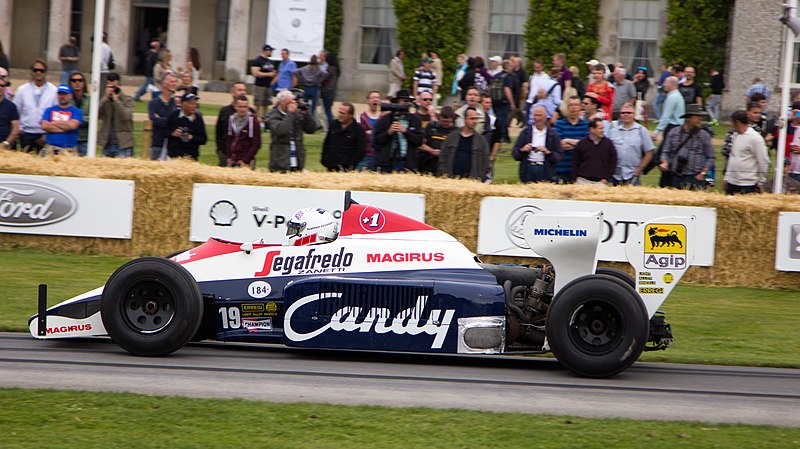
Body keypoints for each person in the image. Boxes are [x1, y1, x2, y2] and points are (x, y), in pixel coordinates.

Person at [658, 104, 714, 190]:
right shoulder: (673, 133)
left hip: (694, 177)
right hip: (675, 175)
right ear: (688, 117)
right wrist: (664, 162)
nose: (700, 119)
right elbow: (665, 151)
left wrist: (702, 173)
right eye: (697, 116)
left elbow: (710, 157)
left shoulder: (704, 136)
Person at [373, 89, 423, 173]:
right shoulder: (386, 119)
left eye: (407, 101)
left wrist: (406, 131)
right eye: (403, 101)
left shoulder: (415, 120)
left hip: (407, 162)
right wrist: (388, 132)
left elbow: (419, 141)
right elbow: (377, 141)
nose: (405, 104)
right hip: (387, 162)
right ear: (396, 102)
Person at [267, 89, 318, 172]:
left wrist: (306, 114)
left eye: (292, 102)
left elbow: (312, 129)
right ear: (281, 103)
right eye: (288, 103)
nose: (291, 105)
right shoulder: (273, 116)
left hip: (297, 161)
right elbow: (281, 131)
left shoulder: (297, 115)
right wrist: (290, 113)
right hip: (280, 162)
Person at [14, 60, 58, 154]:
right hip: (26, 133)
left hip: (43, 133)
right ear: (31, 72)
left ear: (46, 73)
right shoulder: (22, 90)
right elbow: (16, 110)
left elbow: (55, 113)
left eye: (41, 70)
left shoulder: (53, 90)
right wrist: (19, 129)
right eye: (35, 70)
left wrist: (48, 133)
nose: (38, 72)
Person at [512, 105, 563, 183]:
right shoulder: (525, 133)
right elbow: (515, 155)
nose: (537, 118)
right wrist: (522, 150)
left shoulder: (553, 135)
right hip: (528, 168)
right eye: (535, 115)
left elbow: (559, 157)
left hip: (545, 169)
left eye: (540, 115)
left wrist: (548, 152)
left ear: (546, 117)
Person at [437, 107, 490, 181]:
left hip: (472, 182)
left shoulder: (481, 141)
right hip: (450, 180)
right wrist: (443, 173)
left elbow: (485, 163)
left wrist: (481, 177)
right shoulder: (451, 137)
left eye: (476, 119)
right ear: (465, 119)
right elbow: (442, 158)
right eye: (472, 119)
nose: (475, 121)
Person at [607, 103, 654, 185]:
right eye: (623, 113)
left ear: (634, 115)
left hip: (633, 175)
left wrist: (639, 170)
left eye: (629, 113)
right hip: (615, 175)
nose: (626, 115)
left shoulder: (641, 131)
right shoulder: (613, 132)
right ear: (620, 115)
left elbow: (649, 153)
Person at [724, 110, 769, 195]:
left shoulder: (755, 138)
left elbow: (763, 161)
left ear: (736, 122)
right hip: (732, 182)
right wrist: (727, 177)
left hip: (748, 184)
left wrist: (761, 181)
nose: (731, 125)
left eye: (732, 122)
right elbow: (732, 157)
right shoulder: (735, 136)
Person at [553, 96, 590, 183]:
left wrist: (567, 140)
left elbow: (586, 146)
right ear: (567, 107)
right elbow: (559, 145)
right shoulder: (559, 124)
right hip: (561, 169)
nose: (574, 108)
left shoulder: (586, 125)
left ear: (580, 107)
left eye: (576, 105)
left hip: (580, 170)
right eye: (571, 105)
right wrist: (579, 143)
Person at [40, 83, 83, 156]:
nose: (62, 97)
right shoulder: (49, 110)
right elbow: (44, 126)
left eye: (65, 94)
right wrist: (66, 128)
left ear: (70, 96)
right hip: (50, 149)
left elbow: (72, 126)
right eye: (60, 94)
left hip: (69, 150)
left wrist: (53, 123)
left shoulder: (76, 111)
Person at [98, 73, 135, 158]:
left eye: (114, 87)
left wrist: (117, 100)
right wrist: (104, 99)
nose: (112, 90)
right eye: (109, 86)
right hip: (107, 144)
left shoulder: (128, 100)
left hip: (123, 145)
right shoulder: (105, 101)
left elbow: (126, 116)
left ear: (119, 86)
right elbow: (97, 115)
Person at [321, 101, 366, 171]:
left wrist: (350, 165)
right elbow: (326, 143)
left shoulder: (358, 129)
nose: (340, 115)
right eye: (339, 112)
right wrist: (325, 160)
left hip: (347, 169)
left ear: (350, 115)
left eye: (343, 113)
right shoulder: (334, 125)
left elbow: (361, 150)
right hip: (331, 167)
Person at [571, 117, 616, 185]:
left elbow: (613, 161)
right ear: (591, 129)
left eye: (603, 128)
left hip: (601, 182)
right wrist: (575, 178)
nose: (603, 131)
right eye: (600, 128)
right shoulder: (582, 143)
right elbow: (575, 162)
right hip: (583, 181)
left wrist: (606, 178)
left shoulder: (608, 143)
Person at [216, 82, 252, 167]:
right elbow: (218, 133)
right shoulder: (224, 111)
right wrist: (221, 151)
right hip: (226, 154)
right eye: (239, 90)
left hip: (244, 157)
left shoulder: (251, 113)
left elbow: (254, 140)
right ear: (232, 93)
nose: (243, 92)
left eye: (244, 90)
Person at [165, 92, 206, 160]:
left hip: (191, 156)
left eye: (195, 103)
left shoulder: (198, 118)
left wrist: (192, 137)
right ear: (183, 104)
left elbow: (203, 139)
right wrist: (172, 133)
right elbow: (164, 131)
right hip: (174, 155)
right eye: (192, 104)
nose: (194, 106)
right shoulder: (174, 115)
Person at [417, 105, 456, 175]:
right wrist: (431, 151)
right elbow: (420, 144)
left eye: (447, 122)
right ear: (439, 117)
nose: (445, 123)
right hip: (428, 163)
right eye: (443, 121)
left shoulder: (455, 131)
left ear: (452, 119)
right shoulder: (431, 126)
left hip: (446, 165)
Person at [148, 72, 178, 160]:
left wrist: (161, 119)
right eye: (171, 82)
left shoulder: (176, 103)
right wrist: (170, 120)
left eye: (175, 82)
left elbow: (177, 121)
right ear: (164, 84)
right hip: (158, 144)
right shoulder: (153, 103)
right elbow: (154, 119)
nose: (174, 84)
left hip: (173, 145)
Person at [225, 95, 261, 168]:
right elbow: (229, 139)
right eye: (240, 107)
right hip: (233, 160)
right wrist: (229, 157)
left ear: (248, 107)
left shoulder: (253, 121)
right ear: (235, 106)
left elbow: (256, 143)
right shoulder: (232, 119)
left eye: (245, 107)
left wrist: (245, 160)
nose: (242, 109)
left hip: (245, 161)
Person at [652, 76, 684, 142]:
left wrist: (656, 132)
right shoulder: (677, 95)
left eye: (665, 82)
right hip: (678, 127)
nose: (664, 85)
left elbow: (666, 116)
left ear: (672, 84)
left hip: (672, 128)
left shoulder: (672, 97)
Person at [358, 90, 383, 171]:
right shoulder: (362, 117)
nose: (375, 99)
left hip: (379, 156)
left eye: (377, 98)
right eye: (373, 98)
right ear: (368, 100)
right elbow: (361, 135)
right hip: (365, 155)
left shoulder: (383, 118)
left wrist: (370, 133)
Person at [250, 44, 277, 119]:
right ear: (266, 51)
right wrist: (268, 74)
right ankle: (256, 119)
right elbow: (255, 73)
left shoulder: (270, 61)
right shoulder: (258, 60)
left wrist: (273, 80)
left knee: (266, 104)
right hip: (259, 86)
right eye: (270, 51)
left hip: (268, 86)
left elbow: (274, 73)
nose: (271, 52)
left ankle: (264, 120)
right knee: (258, 104)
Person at [67, 72, 90, 156]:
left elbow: (94, 118)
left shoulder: (90, 100)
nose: (77, 83)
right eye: (74, 80)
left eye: (80, 80)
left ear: (84, 83)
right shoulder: (66, 100)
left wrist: (76, 121)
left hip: (85, 139)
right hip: (70, 138)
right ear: (70, 83)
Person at [0, 68, 19, 150]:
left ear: (5, 88)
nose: (0, 88)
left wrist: (6, 143)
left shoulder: (11, 106)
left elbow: (15, 129)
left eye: (2, 86)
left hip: (5, 146)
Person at [319, 51, 339, 128]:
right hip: (331, 92)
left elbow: (324, 78)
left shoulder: (331, 69)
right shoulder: (335, 69)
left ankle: (331, 126)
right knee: (328, 110)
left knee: (327, 111)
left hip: (327, 92)